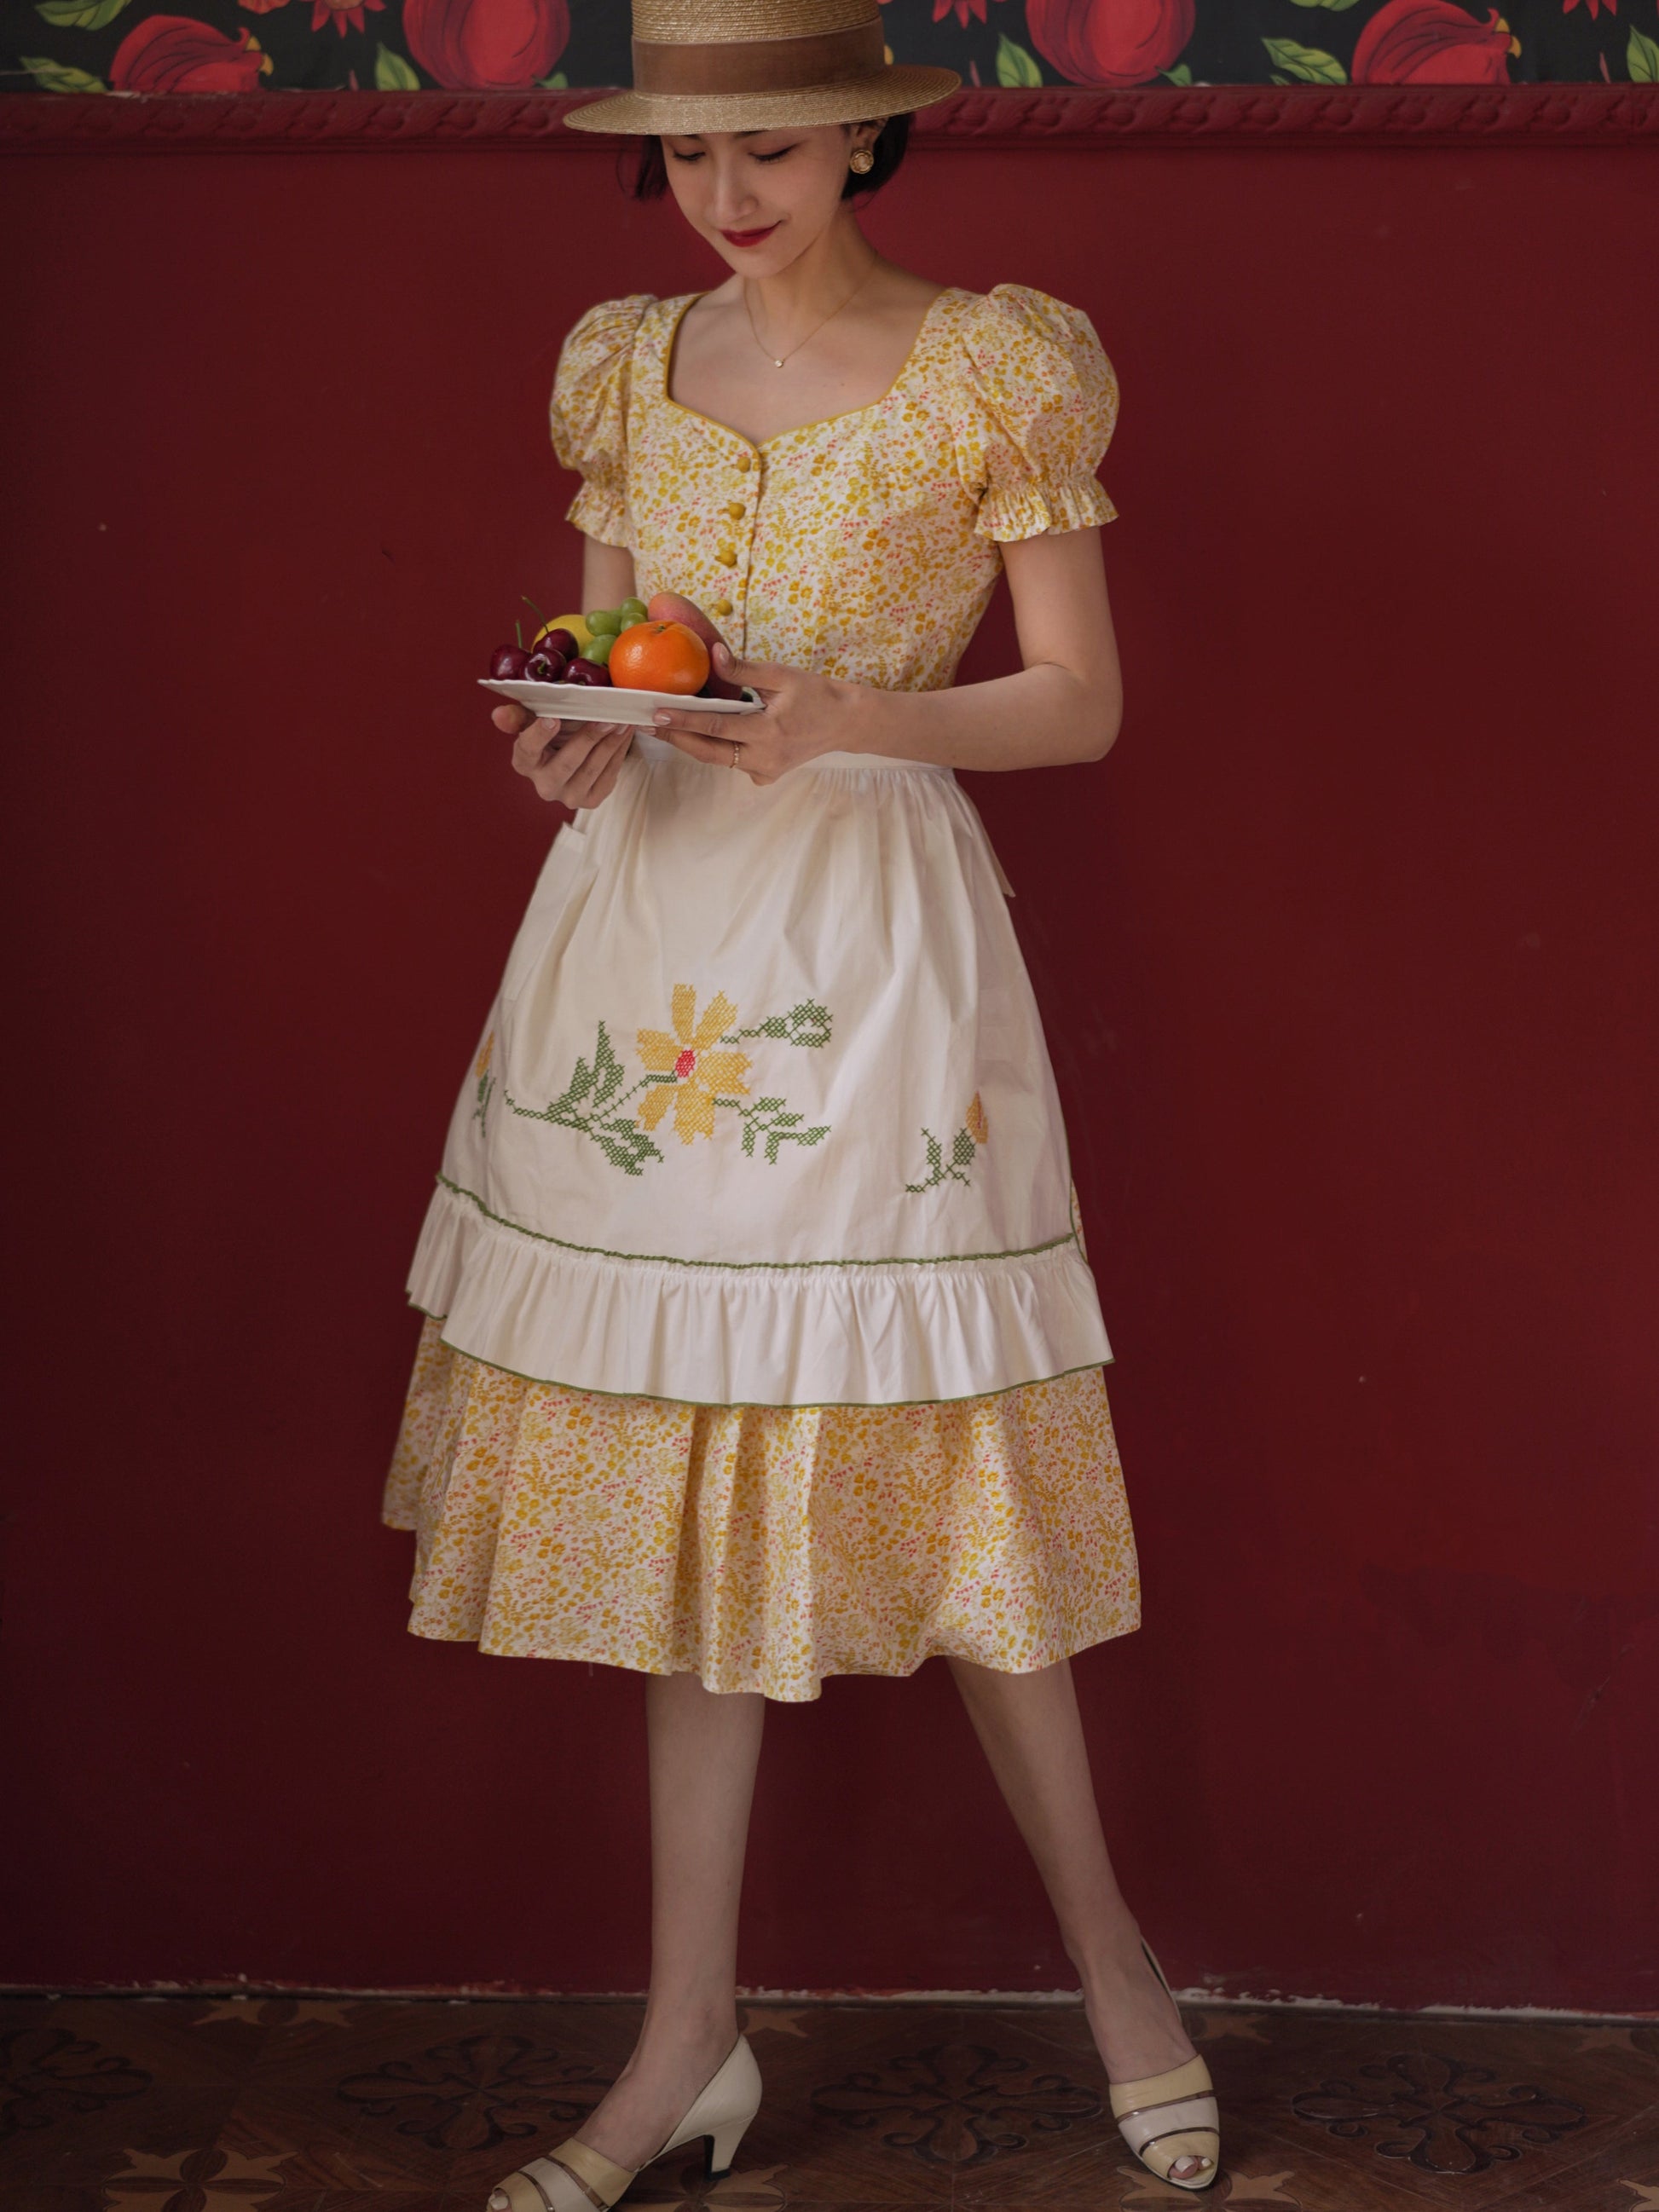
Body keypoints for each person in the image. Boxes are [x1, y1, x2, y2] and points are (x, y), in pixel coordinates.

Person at [383, 1, 1222, 2200]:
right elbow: (612, 672)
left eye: (770, 149)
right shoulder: (619, 362)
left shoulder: (1002, 361)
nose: (727, 196)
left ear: (865, 134)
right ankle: (685, 2047)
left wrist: (852, 712)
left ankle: (1119, 1971)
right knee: (679, 1490)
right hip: (642, 958)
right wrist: (567, 738)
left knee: (950, 1465)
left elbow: (1082, 703)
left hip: (870, 952)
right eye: (688, 158)